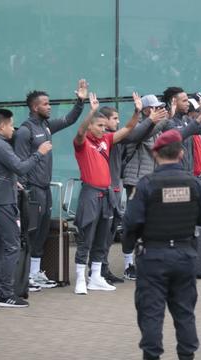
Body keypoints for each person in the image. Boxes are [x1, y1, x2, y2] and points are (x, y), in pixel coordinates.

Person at [123, 129, 201, 360]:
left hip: (153, 256)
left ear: (155, 154)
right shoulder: (194, 183)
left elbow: (132, 221)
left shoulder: (146, 184)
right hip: (185, 256)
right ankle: (187, 356)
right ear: (182, 153)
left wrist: (128, 248)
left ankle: (152, 356)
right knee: (185, 312)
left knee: (151, 313)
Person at [13, 79, 88, 290]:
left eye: (49, 103)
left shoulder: (45, 126)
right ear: (35, 107)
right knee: (30, 232)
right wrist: (24, 188)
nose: (49, 107)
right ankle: (24, 275)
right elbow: (19, 163)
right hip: (32, 189)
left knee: (43, 231)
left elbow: (69, 120)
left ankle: (35, 273)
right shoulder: (25, 131)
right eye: (46, 104)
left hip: (45, 188)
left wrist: (80, 101)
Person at [72, 93, 142, 294]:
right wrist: (92, 111)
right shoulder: (82, 144)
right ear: (91, 126)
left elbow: (128, 129)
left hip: (107, 194)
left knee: (103, 237)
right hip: (90, 194)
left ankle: (96, 277)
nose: (104, 130)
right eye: (100, 126)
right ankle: (80, 279)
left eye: (105, 126)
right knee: (86, 236)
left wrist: (137, 112)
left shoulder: (107, 140)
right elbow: (79, 131)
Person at [0, 109, 52, 307]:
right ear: (2, 126)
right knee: (12, 245)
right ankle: (6, 293)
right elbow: (21, 167)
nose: (13, 128)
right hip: (4, 203)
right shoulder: (2, 146)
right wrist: (39, 153)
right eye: (11, 124)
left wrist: (12, 182)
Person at [121, 94, 169, 280]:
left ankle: (147, 261)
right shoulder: (140, 126)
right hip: (135, 181)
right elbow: (142, 137)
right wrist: (157, 122)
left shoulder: (154, 127)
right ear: (146, 109)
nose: (158, 110)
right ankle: (128, 264)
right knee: (133, 223)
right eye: (155, 107)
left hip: (152, 181)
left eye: (160, 107)